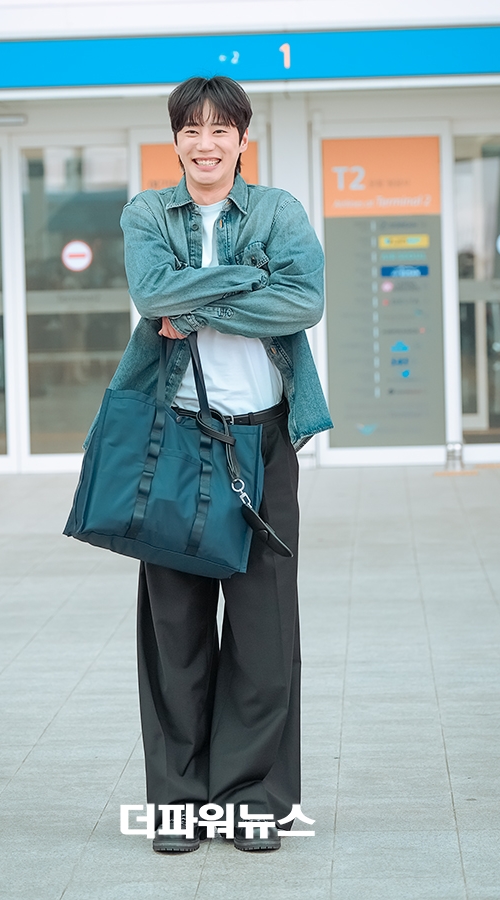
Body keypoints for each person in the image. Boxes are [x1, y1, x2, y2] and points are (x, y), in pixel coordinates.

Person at [115, 75, 332, 852]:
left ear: (243, 138)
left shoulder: (278, 211)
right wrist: (248, 280)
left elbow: (303, 301)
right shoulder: (147, 212)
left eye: (221, 129)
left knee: (263, 631)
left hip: (265, 437)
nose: (206, 143)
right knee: (175, 626)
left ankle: (251, 802)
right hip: (173, 437)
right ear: (175, 138)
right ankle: (178, 805)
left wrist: (194, 303)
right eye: (192, 130)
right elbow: (150, 293)